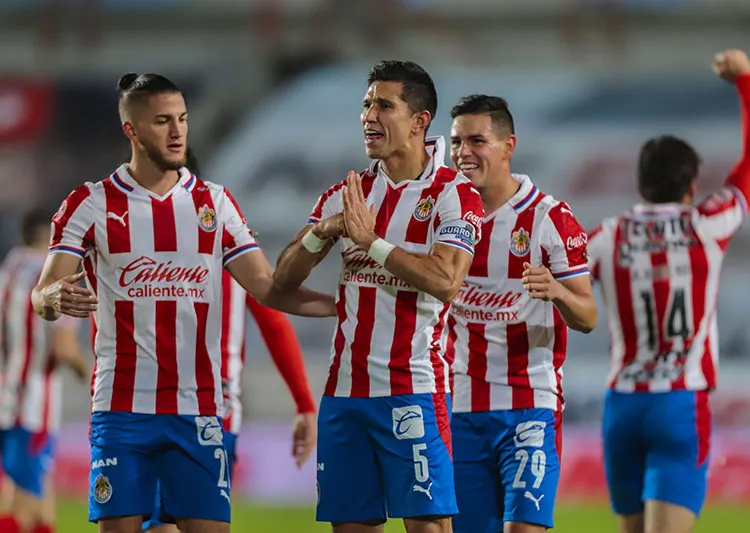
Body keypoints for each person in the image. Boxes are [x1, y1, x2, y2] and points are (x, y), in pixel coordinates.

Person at [30, 73, 335, 533]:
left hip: (199, 411)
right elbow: (43, 294)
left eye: (182, 119)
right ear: (131, 130)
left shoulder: (215, 203)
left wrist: (344, 303)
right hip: (122, 411)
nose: (177, 132)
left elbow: (269, 290)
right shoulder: (89, 205)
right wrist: (52, 297)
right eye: (162, 121)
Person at [273, 60, 484, 533]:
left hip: (412, 391)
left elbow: (446, 279)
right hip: (344, 395)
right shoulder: (346, 194)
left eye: (383, 105)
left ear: (419, 120)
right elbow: (282, 279)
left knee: (428, 526)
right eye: (366, 104)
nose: (369, 115)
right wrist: (324, 232)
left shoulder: (454, 195)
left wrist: (373, 243)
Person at [586, 49, 750, 533]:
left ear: (641, 184)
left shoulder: (607, 235)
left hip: (622, 404)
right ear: (691, 185)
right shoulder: (707, 224)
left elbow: (559, 287)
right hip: (680, 403)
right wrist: (746, 79)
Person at [142, 151, 318, 533]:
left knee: (164, 523)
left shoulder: (153, 244)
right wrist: (304, 402)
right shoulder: (230, 240)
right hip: (203, 406)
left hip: (173, 402)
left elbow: (273, 321)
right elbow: (274, 321)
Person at [445, 95, 597, 533]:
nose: (463, 153)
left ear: (508, 145)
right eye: (457, 142)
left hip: (529, 408)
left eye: (477, 140)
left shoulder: (550, 218)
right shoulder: (445, 215)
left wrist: (557, 292)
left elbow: (587, 316)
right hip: (460, 408)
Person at [0, 208, 90, 533]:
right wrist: (91, 376)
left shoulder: (8, 270)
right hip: (34, 402)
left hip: (6, 395)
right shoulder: (51, 280)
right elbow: (64, 348)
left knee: (22, 492)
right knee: (29, 501)